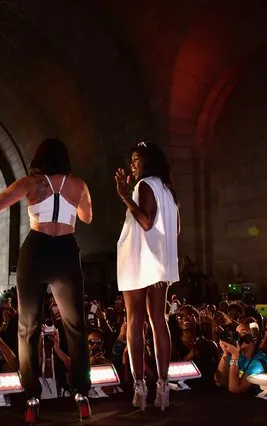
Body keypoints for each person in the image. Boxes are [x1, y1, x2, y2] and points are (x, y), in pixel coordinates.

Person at [0, 138, 93, 423]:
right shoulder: (79, 184)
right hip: (65, 250)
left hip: (36, 250)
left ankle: (31, 395)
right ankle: (81, 392)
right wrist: (69, 204)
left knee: (28, 327)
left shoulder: (30, 183)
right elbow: (87, 217)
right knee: (75, 326)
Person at [114, 141, 179, 411]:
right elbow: (175, 231)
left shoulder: (144, 186)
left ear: (148, 161)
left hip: (139, 260)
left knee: (135, 321)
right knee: (158, 321)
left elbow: (146, 221)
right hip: (160, 263)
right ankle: (163, 388)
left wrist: (124, 195)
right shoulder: (169, 192)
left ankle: (140, 388)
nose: (132, 164)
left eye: (136, 159)